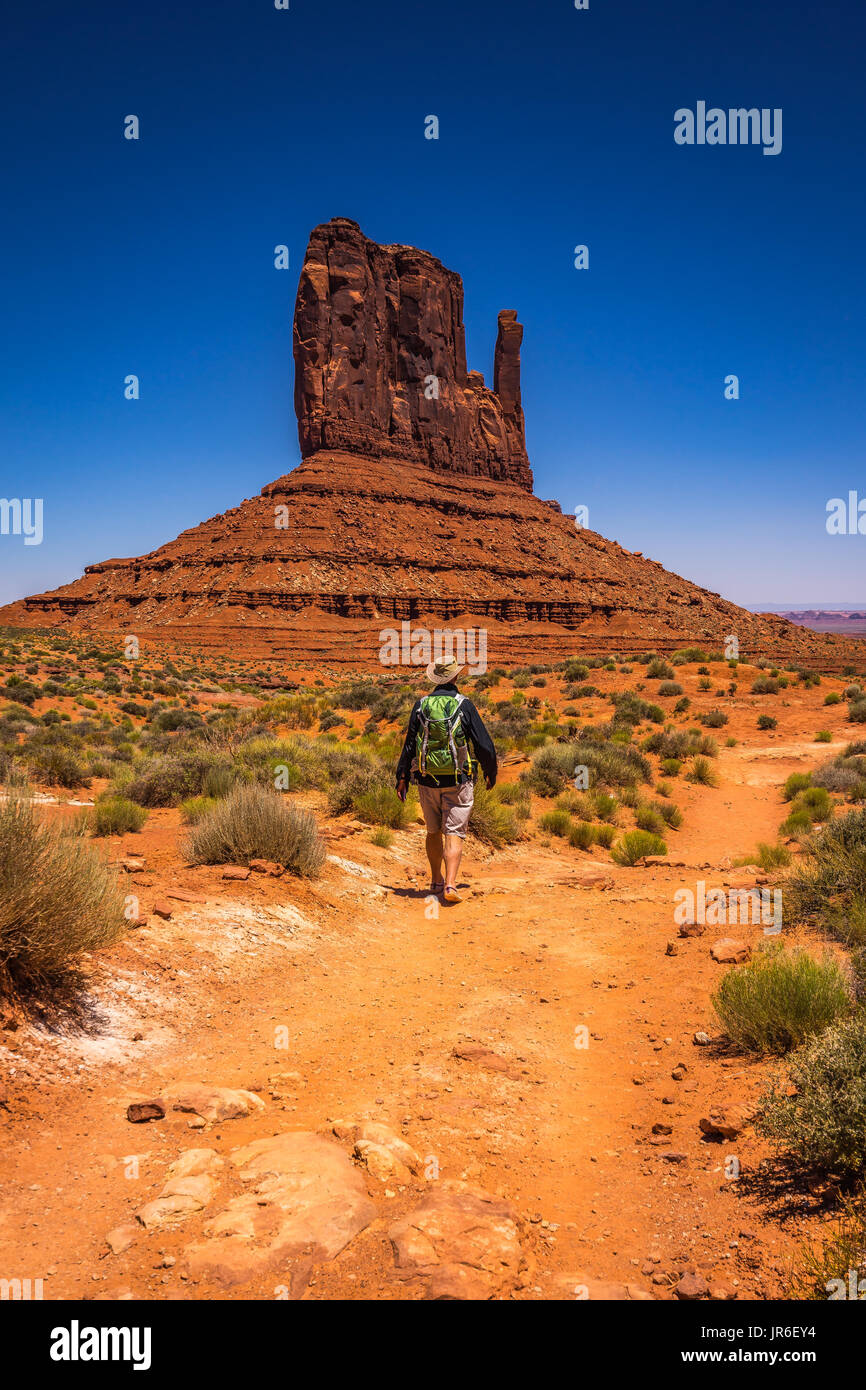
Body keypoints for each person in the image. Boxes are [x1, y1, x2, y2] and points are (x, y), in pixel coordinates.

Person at [395, 655, 497, 904]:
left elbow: (409, 744)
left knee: (433, 831)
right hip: (458, 780)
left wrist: (402, 777)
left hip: (427, 780)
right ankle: (450, 885)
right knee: (454, 833)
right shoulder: (464, 704)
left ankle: (435, 879)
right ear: (455, 676)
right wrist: (490, 770)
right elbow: (483, 743)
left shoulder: (420, 705)